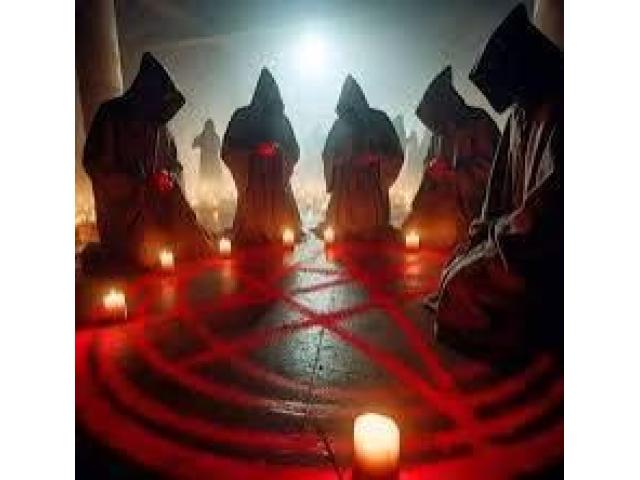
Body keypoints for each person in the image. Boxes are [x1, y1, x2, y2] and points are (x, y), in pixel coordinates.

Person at [430, 4, 563, 360]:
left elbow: (553, 201)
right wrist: (484, 229)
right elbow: (500, 187)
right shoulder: (520, 114)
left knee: (465, 287)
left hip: (538, 245)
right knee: (457, 264)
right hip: (509, 231)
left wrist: (502, 231)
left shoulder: (561, 107)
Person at [82, 52, 214, 270]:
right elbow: (96, 164)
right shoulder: (111, 115)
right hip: (129, 212)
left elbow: (174, 165)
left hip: (162, 205)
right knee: (150, 254)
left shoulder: (160, 125)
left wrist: (168, 178)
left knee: (193, 244)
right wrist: (137, 184)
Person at [403, 66, 500, 249]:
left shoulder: (478, 123)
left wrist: (453, 175)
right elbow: (429, 163)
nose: (438, 128)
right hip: (444, 218)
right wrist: (431, 169)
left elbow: (492, 169)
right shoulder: (439, 133)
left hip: (473, 216)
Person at [221, 68, 301, 243]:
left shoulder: (282, 120)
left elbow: (294, 150)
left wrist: (278, 151)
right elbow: (228, 148)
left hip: (276, 179)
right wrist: (254, 152)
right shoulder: (242, 117)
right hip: (253, 180)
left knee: (282, 229)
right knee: (252, 230)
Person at [320, 75, 403, 239]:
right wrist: (339, 159)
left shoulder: (379, 120)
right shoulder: (340, 124)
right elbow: (328, 153)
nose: (349, 116)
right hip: (345, 186)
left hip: (370, 185)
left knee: (371, 229)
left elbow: (395, 153)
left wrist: (376, 157)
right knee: (343, 229)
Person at [193, 119, 222, 199]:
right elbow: (193, 144)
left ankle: (215, 198)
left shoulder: (214, 137)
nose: (209, 129)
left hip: (213, 164)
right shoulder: (202, 136)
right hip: (206, 165)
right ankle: (204, 198)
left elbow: (218, 147)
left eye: (210, 127)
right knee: (205, 181)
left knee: (215, 182)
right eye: (208, 127)